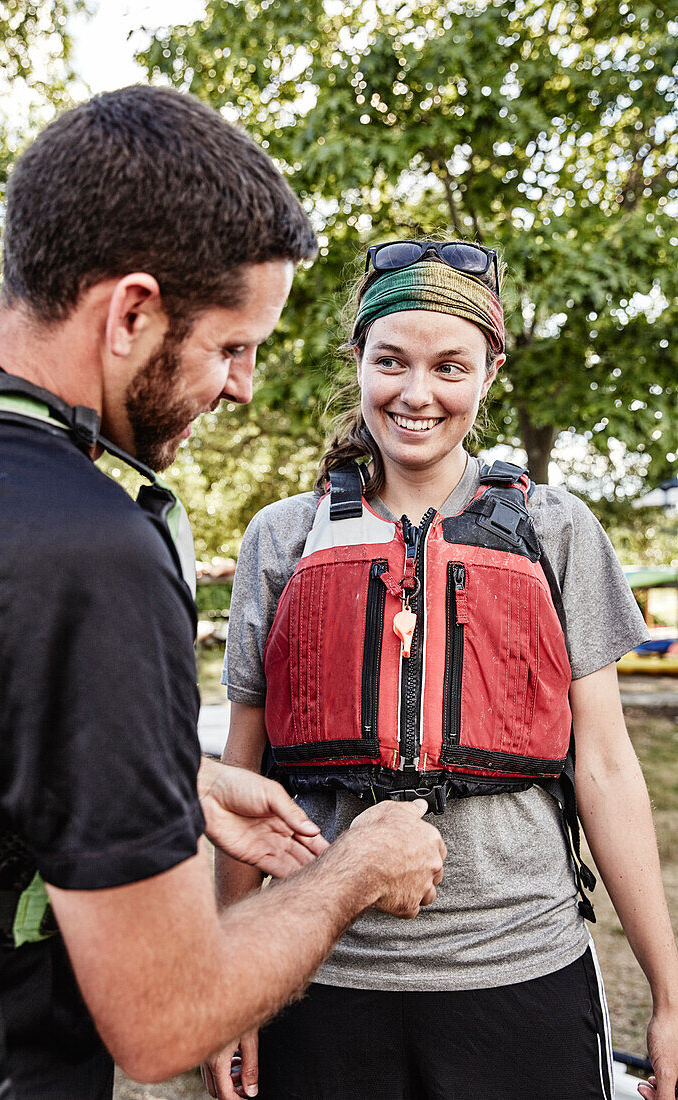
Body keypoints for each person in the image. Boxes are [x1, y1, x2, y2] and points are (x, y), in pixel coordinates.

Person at [0, 90, 450, 1100]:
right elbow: (163, 1016)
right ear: (131, 311)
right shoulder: (87, 547)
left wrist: (183, 771)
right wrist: (355, 865)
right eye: (230, 345)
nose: (244, 387)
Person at [209, 238, 678, 1100]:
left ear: (490, 372)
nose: (416, 394)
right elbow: (245, 765)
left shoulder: (557, 529)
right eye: (390, 361)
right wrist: (230, 978)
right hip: (318, 977)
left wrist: (671, 996)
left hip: (520, 971)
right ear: (356, 360)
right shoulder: (280, 538)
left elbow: (608, 769)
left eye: (449, 367)